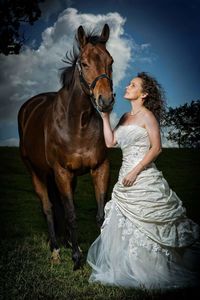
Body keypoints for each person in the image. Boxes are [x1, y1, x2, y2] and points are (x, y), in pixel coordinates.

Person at [87, 72, 200, 289]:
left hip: (141, 175)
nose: (127, 87)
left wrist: (136, 171)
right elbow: (110, 142)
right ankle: (129, 266)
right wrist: (104, 116)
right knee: (125, 223)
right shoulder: (125, 118)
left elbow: (156, 148)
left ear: (144, 94)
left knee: (149, 220)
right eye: (129, 84)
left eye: (133, 85)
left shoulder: (148, 116)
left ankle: (152, 268)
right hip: (125, 177)